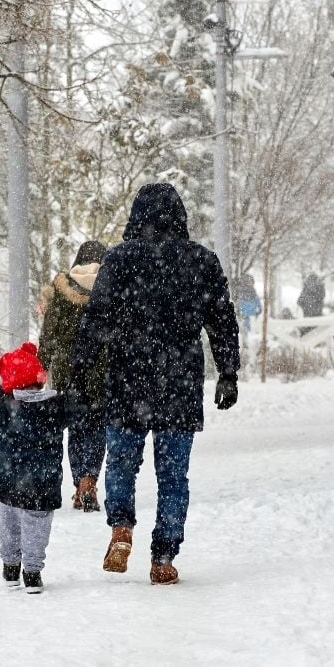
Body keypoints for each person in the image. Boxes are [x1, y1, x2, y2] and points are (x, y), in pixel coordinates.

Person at [69, 183, 240, 586]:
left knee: (123, 463)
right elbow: (222, 322)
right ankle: (163, 555)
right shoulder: (202, 262)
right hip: (179, 382)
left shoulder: (119, 259)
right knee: (173, 475)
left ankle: (122, 529)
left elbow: (96, 321)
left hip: (128, 379)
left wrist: (81, 375)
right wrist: (229, 373)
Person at [0, 342, 68, 594]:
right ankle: (32, 572)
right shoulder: (55, 405)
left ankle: (10, 567)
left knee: (8, 523)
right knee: (37, 525)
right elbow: (81, 412)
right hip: (42, 482)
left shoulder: (5, 407)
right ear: (39, 379)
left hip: (7, 478)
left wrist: (3, 389)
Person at [38, 240, 108, 513]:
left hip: (69, 370)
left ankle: (80, 482)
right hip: (102, 370)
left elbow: (49, 333)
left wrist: (41, 366)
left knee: (76, 429)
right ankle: (91, 478)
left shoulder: (62, 287)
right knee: (97, 428)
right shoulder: (111, 286)